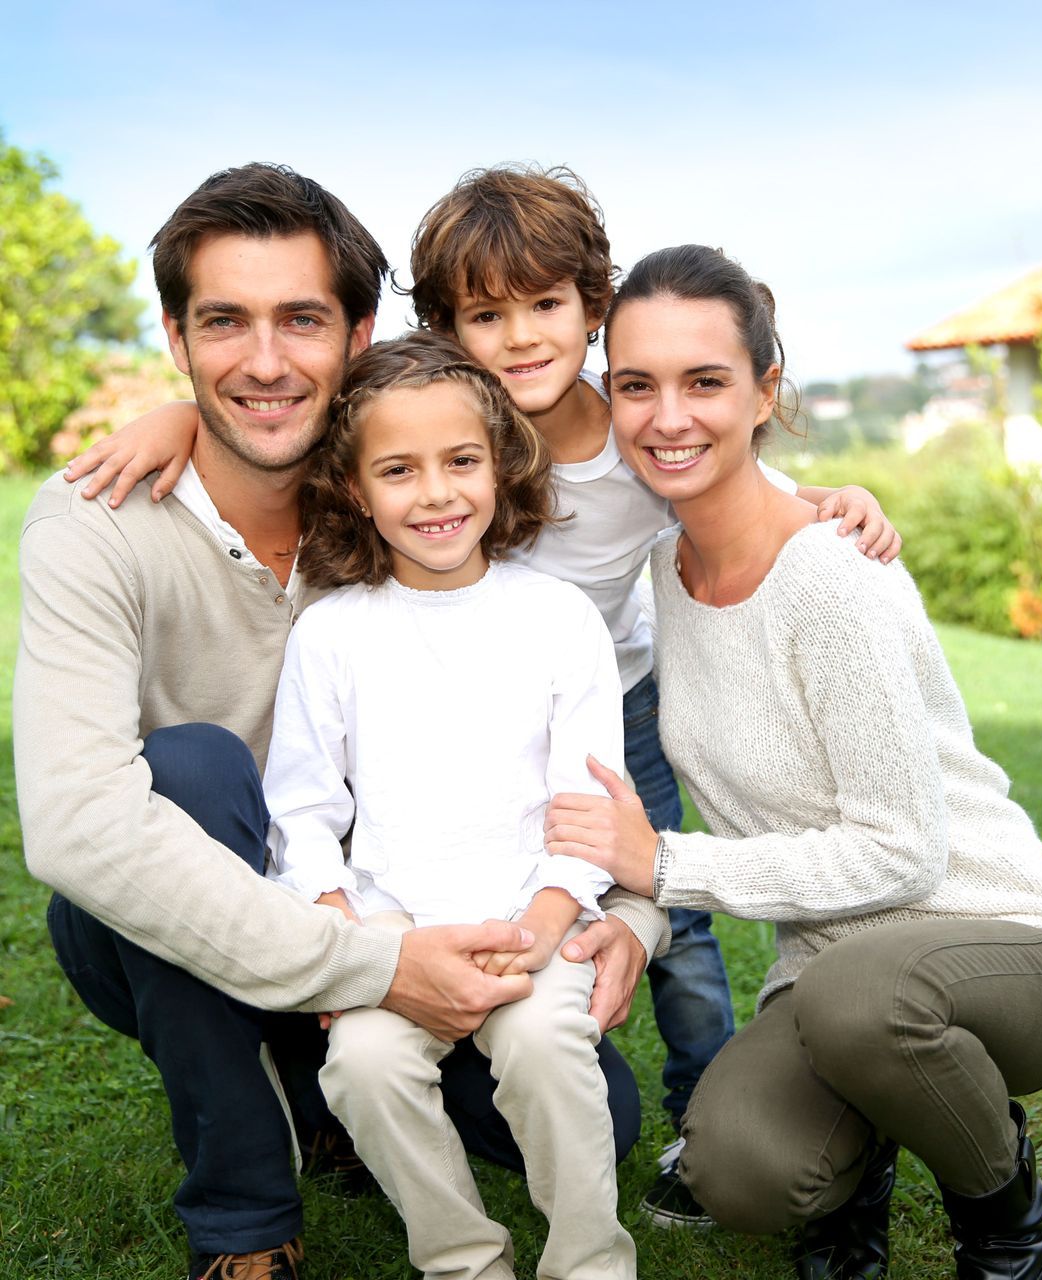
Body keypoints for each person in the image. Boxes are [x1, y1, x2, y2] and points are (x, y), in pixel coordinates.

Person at [68, 162, 903, 1229]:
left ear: (591, 313)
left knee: (673, 922)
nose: (517, 338)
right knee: (426, 890)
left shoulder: (635, 442)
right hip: (451, 723)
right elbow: (281, 410)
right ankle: (377, 1084)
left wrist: (832, 497)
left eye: (545, 307)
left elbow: (731, 468)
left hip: (614, 707)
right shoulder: (427, 425)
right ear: (445, 330)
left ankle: (701, 1112)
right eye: (485, 315)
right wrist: (169, 421)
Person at [15, 163, 665, 1280]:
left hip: (436, 909)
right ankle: (248, 1221)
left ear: (358, 336)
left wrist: (630, 919)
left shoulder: (391, 502)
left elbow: (581, 756)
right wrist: (366, 964)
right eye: (224, 322)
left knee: (586, 1107)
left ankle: (329, 1101)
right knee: (194, 770)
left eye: (301, 321)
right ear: (176, 335)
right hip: (207, 923)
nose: (264, 361)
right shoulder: (100, 515)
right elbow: (79, 826)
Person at [543, 244, 1042, 1280]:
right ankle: (876, 1134)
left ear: (764, 390)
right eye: (637, 385)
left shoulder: (831, 574)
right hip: (830, 976)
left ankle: (1001, 1208)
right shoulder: (662, 574)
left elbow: (901, 851)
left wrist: (664, 864)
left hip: (1007, 945)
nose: (667, 415)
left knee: (865, 1002)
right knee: (736, 1167)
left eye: (703, 381)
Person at [264, 330, 636, 1279]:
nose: (435, 494)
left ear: (502, 467)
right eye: (399, 469)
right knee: (363, 1068)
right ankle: (463, 1260)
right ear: (355, 488)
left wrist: (550, 917)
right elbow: (302, 809)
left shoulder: (556, 618)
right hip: (393, 936)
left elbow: (587, 802)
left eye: (461, 461)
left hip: (531, 917)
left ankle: (590, 1261)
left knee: (551, 1044)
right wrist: (342, 928)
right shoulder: (332, 633)